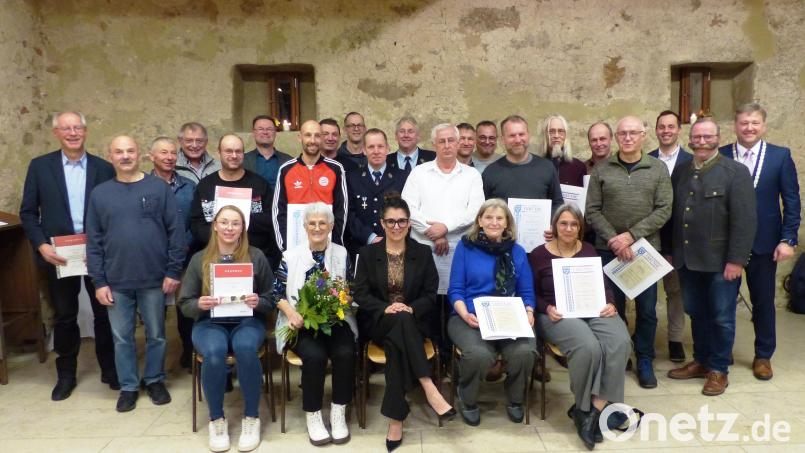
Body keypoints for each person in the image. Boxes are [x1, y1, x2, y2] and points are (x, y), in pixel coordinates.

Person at [19, 111, 118, 400]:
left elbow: (113, 211)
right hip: (59, 255)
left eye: (77, 128)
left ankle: (110, 370)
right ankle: (66, 375)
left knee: (104, 313)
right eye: (66, 128)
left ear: (85, 131)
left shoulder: (104, 168)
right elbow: (28, 212)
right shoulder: (40, 167)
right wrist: (41, 245)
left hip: (96, 252)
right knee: (65, 316)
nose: (72, 133)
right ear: (56, 133)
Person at [86, 135, 185, 412]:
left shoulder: (158, 188)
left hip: (154, 278)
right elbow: (93, 241)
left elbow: (176, 231)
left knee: (157, 334)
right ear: (110, 156)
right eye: (119, 152)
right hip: (115, 280)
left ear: (139, 154)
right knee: (122, 338)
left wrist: (173, 270)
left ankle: (154, 380)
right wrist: (99, 281)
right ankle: (128, 386)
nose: (125, 156)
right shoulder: (100, 194)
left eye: (130, 150)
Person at [353, 194, 455, 452]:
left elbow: (431, 293)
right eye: (391, 221)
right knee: (398, 322)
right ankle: (428, 385)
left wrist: (410, 308)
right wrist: (385, 308)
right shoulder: (367, 254)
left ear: (409, 223)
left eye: (401, 221)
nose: (396, 227)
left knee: (397, 341)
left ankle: (396, 420)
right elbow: (360, 294)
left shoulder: (422, 252)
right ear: (382, 223)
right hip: (379, 321)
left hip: (414, 321)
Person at [529, 203, 631, 450]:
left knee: (620, 341)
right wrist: (546, 308)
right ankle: (586, 408)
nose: (568, 228)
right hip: (555, 314)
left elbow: (603, 284)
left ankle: (591, 411)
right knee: (588, 347)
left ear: (580, 228)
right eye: (563, 223)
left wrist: (610, 303)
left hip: (592, 308)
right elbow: (530, 293)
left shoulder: (588, 249)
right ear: (554, 226)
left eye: (574, 224)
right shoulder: (538, 254)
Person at [667, 118, 757, 396]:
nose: (702, 141)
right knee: (696, 312)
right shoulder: (681, 171)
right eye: (697, 137)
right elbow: (675, 215)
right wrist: (670, 251)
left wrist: (737, 260)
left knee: (721, 317)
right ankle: (702, 361)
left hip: (720, 262)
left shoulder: (735, 172)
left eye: (708, 136)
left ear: (718, 138)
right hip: (687, 259)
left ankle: (718, 369)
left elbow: (745, 221)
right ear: (690, 139)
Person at [585, 115, 671, 389]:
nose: (628, 137)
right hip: (609, 250)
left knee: (646, 310)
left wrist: (631, 236)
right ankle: (620, 355)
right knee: (614, 308)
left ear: (644, 135)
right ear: (616, 137)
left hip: (644, 251)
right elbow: (592, 211)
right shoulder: (602, 169)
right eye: (623, 133)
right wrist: (614, 239)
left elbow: (664, 209)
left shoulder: (657, 168)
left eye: (634, 132)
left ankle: (645, 358)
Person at [178, 205, 273, 452]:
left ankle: (251, 417)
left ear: (243, 228)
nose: (229, 228)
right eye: (224, 222)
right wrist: (199, 304)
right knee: (214, 352)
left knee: (245, 347)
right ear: (215, 226)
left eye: (235, 223)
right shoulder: (199, 259)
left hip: (247, 321)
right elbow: (184, 303)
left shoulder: (256, 256)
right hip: (209, 322)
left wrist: (258, 302)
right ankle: (216, 420)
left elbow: (271, 297)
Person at [719, 102, 801, 380]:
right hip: (727, 245)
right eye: (744, 122)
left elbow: (791, 201)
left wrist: (788, 239)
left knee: (763, 302)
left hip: (765, 244)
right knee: (722, 302)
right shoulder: (722, 155)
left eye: (754, 123)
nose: (749, 128)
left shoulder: (780, 156)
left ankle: (763, 355)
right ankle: (722, 352)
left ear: (764, 126)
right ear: (735, 125)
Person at [447, 199, 537, 426]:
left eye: (499, 218)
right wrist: (465, 314)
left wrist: (528, 312)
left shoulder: (517, 252)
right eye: (488, 217)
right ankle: (467, 397)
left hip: (508, 318)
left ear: (507, 223)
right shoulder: (465, 247)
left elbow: (527, 292)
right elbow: (455, 290)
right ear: (479, 220)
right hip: (470, 317)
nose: (494, 222)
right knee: (479, 354)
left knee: (524, 351)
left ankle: (515, 398)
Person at [273, 203, 356, 446]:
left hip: (335, 320)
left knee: (345, 353)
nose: (317, 228)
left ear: (331, 226)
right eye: (312, 223)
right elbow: (276, 294)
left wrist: (342, 299)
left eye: (322, 223)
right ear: (305, 226)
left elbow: (351, 288)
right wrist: (291, 313)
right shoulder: (290, 256)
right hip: (301, 323)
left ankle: (338, 411)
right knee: (315, 356)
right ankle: (313, 415)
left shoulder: (341, 253)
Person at [190, 134, 280, 269]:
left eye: (238, 151)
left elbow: (272, 219)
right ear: (218, 153)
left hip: (254, 259)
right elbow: (196, 224)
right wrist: (223, 235)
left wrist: (242, 221)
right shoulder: (205, 186)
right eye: (228, 151)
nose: (234, 155)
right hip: (214, 259)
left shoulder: (259, 184)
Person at [148, 136, 197, 369]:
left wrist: (182, 244)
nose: (169, 157)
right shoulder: (143, 186)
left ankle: (188, 351)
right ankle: (156, 365)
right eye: (163, 153)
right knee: (154, 312)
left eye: (172, 153)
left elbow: (196, 220)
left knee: (185, 310)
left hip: (185, 257)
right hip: (153, 260)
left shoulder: (189, 186)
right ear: (151, 156)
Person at [648, 110, 693, 363]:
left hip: (677, 239)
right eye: (662, 126)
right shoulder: (646, 159)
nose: (666, 131)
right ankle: (645, 338)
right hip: (649, 237)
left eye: (671, 126)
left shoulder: (690, 161)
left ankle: (675, 339)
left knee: (675, 291)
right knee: (646, 293)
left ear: (678, 130)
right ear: (656, 130)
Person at [273, 120, 348, 251]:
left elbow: (341, 209)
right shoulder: (286, 169)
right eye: (308, 135)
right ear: (300, 137)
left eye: (317, 135)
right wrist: (285, 247)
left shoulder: (336, 168)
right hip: (294, 247)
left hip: (328, 246)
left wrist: (334, 245)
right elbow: (278, 211)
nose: (312, 140)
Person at [482, 115, 564, 210]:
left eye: (521, 134)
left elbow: (557, 204)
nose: (518, 140)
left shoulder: (547, 167)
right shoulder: (491, 173)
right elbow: (483, 210)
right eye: (512, 135)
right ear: (502, 140)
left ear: (529, 135)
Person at [345, 129, 405, 254]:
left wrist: (390, 237)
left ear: (387, 149)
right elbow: (349, 214)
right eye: (371, 147)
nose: (376, 151)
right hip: (362, 248)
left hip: (394, 247)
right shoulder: (352, 177)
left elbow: (406, 214)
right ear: (364, 150)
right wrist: (370, 237)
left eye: (380, 146)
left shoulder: (402, 177)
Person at [243, 115, 292, 191]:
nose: (265, 132)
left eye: (269, 129)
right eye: (260, 129)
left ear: (275, 132)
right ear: (253, 133)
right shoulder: (243, 160)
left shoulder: (289, 161)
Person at [539, 115, 587, 187]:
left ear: (566, 136)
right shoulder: (536, 166)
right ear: (545, 135)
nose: (556, 136)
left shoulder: (578, 167)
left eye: (561, 131)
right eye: (551, 131)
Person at [387, 116, 436, 183]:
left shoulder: (433, 158)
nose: (406, 135)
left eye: (410, 131)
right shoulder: (386, 161)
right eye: (402, 131)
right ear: (396, 136)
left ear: (418, 136)